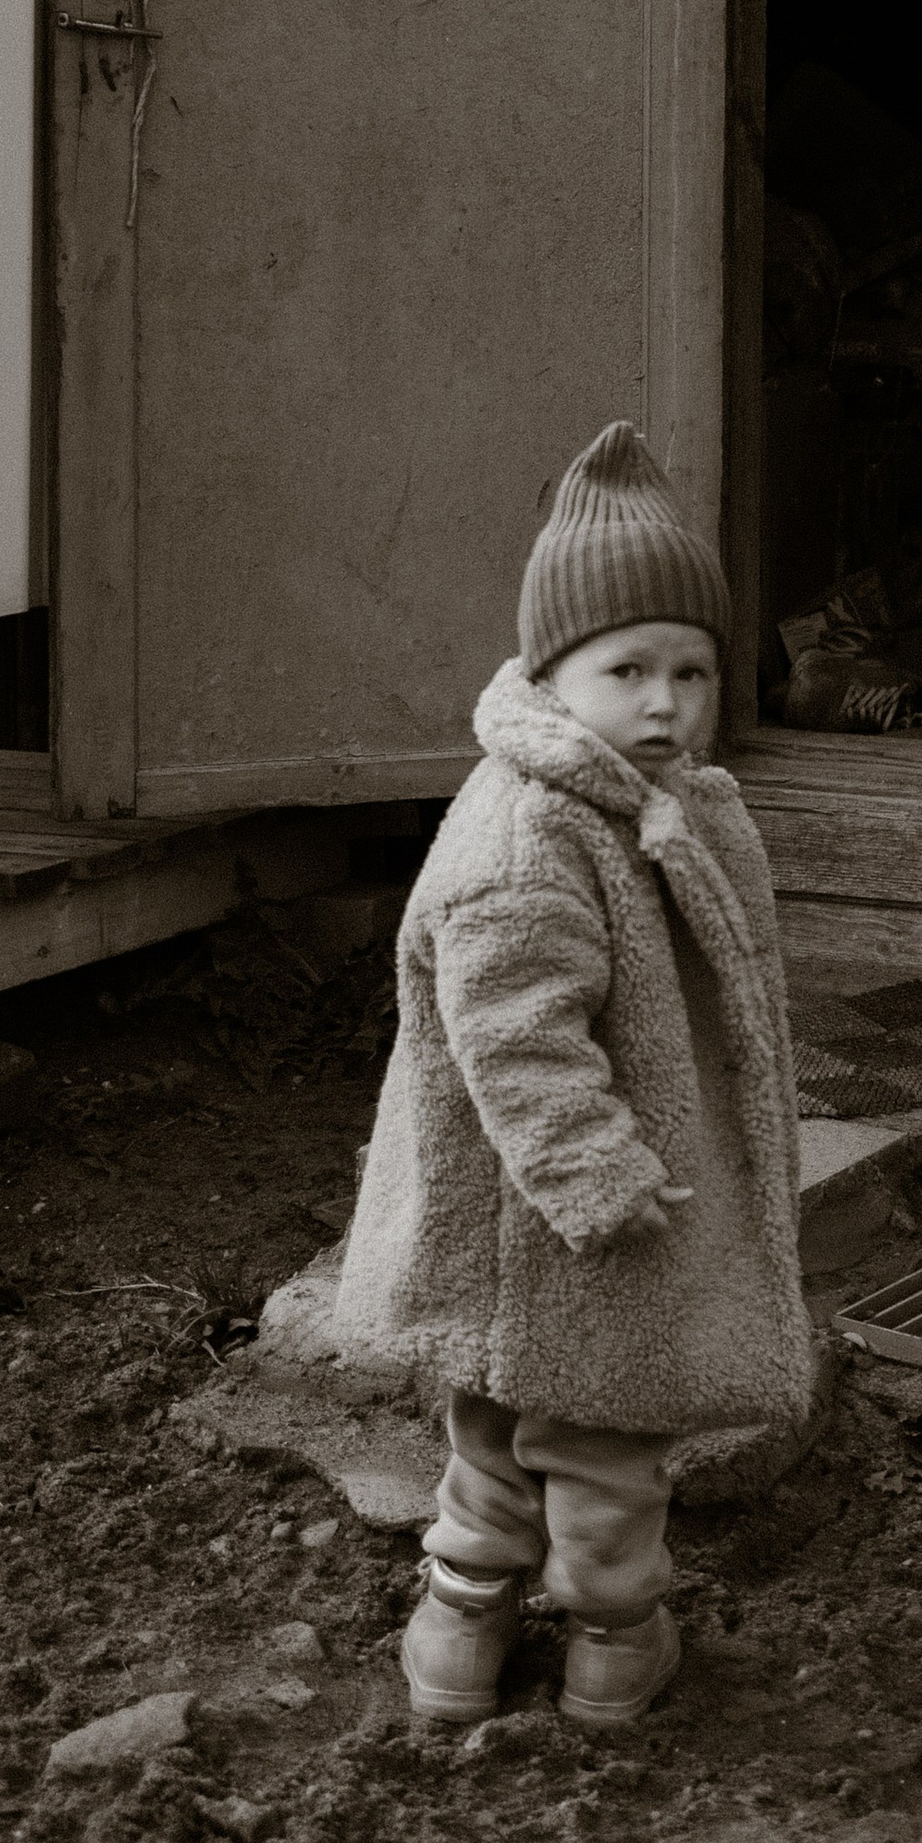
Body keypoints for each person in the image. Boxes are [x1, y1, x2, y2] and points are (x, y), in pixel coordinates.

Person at [336, 423, 812, 1730]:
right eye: (629, 668)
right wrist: (597, 1171)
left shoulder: (628, 799)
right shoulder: (527, 831)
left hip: (543, 1247)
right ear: (556, 672)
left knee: (493, 1437)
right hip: (566, 1224)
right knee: (605, 1448)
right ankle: (613, 1653)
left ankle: (456, 1642)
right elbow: (512, 1024)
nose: (667, 703)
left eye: (692, 669)